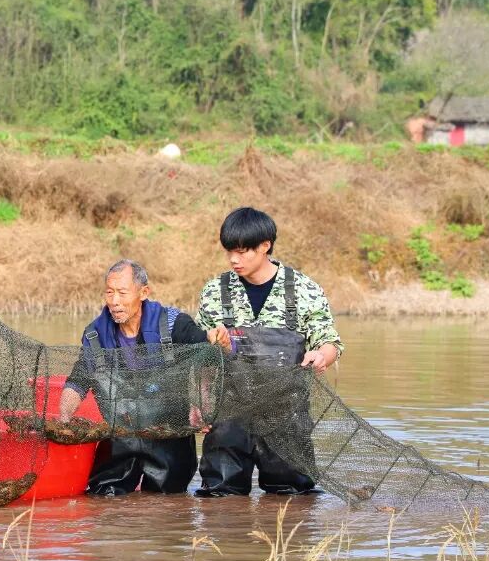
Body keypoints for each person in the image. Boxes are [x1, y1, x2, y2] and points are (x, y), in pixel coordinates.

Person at [193, 207, 343, 496]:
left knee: (292, 501)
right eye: (229, 252)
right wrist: (198, 403)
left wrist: (321, 356)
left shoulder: (304, 290)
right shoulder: (214, 291)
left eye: (242, 251)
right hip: (228, 416)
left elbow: (330, 342)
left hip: (286, 416)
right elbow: (201, 357)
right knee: (220, 500)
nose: (234, 259)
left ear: (265, 246)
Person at [59, 259, 229, 496]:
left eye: (122, 293)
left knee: (167, 505)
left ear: (143, 292)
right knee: (104, 499)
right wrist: (63, 419)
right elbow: (78, 380)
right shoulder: (95, 334)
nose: (114, 301)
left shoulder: (173, 324)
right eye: (109, 293)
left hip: (169, 439)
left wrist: (203, 405)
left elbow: (205, 354)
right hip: (120, 439)